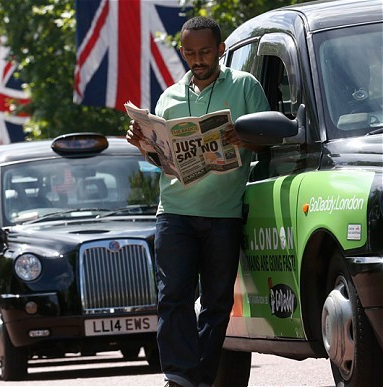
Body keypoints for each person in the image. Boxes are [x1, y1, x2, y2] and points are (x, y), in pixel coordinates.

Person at [126, 17, 269, 387]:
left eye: (205, 52)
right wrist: (143, 143)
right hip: (174, 213)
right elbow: (160, 158)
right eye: (190, 53)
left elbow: (267, 141)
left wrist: (244, 138)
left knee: (217, 303)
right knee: (173, 297)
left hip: (224, 214)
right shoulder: (169, 97)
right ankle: (178, 376)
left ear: (221, 50)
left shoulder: (245, 86)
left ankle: (200, 378)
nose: (198, 59)